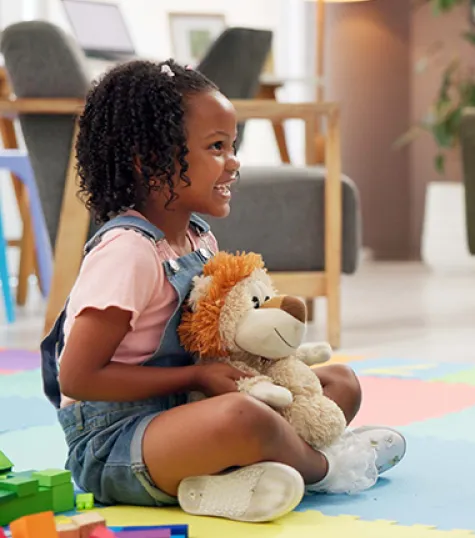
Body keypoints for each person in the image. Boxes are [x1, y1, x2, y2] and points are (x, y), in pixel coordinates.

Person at [38, 60, 406, 523]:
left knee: (338, 383)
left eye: (232, 147)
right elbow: (77, 378)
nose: (233, 162)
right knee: (243, 418)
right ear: (149, 160)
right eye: (216, 147)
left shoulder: (197, 237)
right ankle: (331, 466)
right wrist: (193, 379)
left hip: (190, 410)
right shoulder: (126, 252)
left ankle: (230, 481)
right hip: (118, 442)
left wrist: (270, 363)